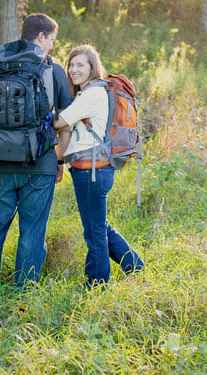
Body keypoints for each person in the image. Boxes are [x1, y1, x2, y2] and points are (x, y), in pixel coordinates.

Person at [0, 13, 72, 293]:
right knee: (32, 231)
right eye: (51, 39)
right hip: (41, 164)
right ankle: (25, 291)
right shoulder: (53, 69)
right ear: (40, 37)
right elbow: (65, 121)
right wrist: (59, 160)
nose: (51, 45)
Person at [53, 44, 144, 288]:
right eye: (71, 65)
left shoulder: (93, 94)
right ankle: (135, 267)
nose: (73, 70)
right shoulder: (88, 93)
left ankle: (97, 285)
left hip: (91, 171)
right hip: (95, 169)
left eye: (80, 65)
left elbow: (60, 122)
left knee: (94, 233)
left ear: (92, 68)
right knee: (99, 225)